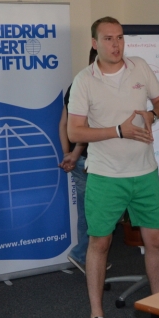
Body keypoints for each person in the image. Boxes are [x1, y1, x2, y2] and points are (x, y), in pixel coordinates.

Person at [68, 17, 159, 318]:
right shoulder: (84, 81)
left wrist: (152, 114)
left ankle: (158, 304)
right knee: (99, 244)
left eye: (120, 38)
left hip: (145, 172)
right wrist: (117, 131)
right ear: (95, 43)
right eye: (109, 39)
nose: (116, 44)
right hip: (105, 176)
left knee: (155, 240)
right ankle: (96, 316)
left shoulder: (140, 67)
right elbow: (75, 132)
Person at [59, 48, 100, 274]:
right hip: (94, 160)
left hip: (80, 159)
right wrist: (73, 155)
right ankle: (82, 253)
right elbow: (87, 129)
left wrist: (67, 153)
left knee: (86, 212)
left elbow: (63, 123)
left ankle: (86, 257)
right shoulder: (94, 87)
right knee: (102, 212)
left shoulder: (75, 84)